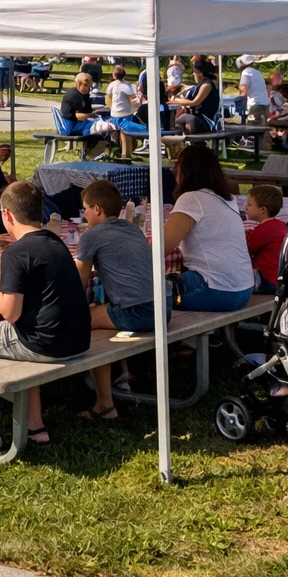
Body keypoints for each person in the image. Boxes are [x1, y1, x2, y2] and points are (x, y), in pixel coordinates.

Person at [0, 181, 90, 451]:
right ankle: (35, 428)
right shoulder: (55, 241)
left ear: (7, 215)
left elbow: (10, 314)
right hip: (78, 339)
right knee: (21, 335)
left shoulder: (15, 252)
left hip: (44, 344)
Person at [75, 179, 165, 420]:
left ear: (97, 209)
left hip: (140, 312)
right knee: (99, 310)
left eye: (85, 208)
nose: (83, 214)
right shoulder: (133, 228)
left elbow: (78, 282)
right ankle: (116, 375)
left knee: (85, 322)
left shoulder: (91, 236)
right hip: (162, 308)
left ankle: (104, 403)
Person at [163, 145, 253, 311]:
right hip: (243, 288)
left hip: (215, 289)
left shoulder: (191, 198)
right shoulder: (228, 199)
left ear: (186, 171)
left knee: (142, 293)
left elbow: (161, 248)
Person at [245, 184, 286, 295]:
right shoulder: (281, 225)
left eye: (249, 204)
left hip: (266, 280)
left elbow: (246, 250)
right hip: (279, 280)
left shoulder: (264, 229)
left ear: (262, 210)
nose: (245, 207)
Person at [104, 64, 146, 157]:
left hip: (114, 114)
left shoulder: (111, 85)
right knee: (128, 132)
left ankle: (125, 153)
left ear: (114, 76)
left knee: (124, 132)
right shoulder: (126, 86)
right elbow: (133, 102)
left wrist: (112, 108)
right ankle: (126, 154)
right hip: (124, 114)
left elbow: (108, 99)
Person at [171, 58, 222, 135]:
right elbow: (187, 99)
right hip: (196, 117)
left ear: (200, 73)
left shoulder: (207, 85)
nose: (193, 74)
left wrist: (176, 101)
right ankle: (179, 143)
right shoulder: (199, 85)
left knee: (187, 119)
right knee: (177, 120)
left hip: (206, 121)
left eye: (194, 72)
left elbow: (195, 102)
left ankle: (194, 142)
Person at [236, 54, 270, 148]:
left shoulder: (246, 73)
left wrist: (238, 95)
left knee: (253, 127)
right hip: (265, 103)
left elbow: (244, 89)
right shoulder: (257, 72)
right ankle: (260, 147)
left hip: (255, 104)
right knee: (261, 129)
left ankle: (252, 150)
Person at [58, 71, 97, 137]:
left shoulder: (81, 94)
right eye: (88, 86)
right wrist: (91, 115)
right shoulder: (75, 96)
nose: (90, 89)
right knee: (98, 125)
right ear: (79, 84)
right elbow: (78, 116)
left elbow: (86, 109)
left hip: (75, 124)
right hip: (72, 127)